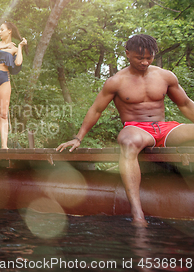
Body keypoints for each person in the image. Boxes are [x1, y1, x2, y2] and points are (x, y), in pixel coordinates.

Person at [56, 34, 194, 226]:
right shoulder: (116, 81)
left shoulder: (165, 76)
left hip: (164, 128)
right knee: (128, 142)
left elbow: (186, 105)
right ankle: (137, 214)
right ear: (128, 54)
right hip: (136, 129)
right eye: (140, 58)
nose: (145, 62)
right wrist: (78, 138)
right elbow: (96, 110)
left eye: (149, 57)